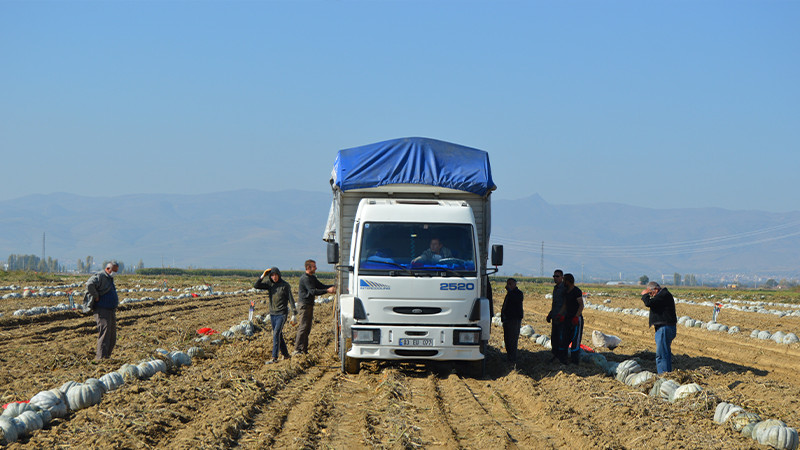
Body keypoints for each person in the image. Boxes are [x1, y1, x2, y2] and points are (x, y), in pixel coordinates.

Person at [254, 267, 297, 364]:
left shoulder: (285, 285)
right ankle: (286, 355)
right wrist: (263, 275)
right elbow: (256, 286)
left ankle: (274, 357)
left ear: (279, 275)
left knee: (276, 333)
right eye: (272, 275)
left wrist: (294, 314)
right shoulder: (270, 284)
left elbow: (291, 299)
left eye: (275, 275)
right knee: (279, 334)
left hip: (282, 314)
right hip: (273, 314)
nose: (274, 277)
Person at [294, 259, 335, 355]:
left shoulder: (312, 278)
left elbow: (321, 286)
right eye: (314, 266)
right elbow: (313, 291)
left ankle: (304, 349)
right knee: (303, 327)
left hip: (309, 304)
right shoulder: (305, 278)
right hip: (304, 305)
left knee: (307, 328)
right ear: (308, 268)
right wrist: (328, 291)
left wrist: (333, 286)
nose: (316, 268)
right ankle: (297, 349)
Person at [641, 281, 678, 373]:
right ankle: (667, 373)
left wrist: (644, 295)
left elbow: (649, 303)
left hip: (664, 328)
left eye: (651, 292)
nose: (651, 295)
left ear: (656, 289)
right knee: (665, 353)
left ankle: (663, 375)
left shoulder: (663, 295)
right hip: (664, 328)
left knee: (661, 354)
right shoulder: (663, 295)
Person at [86, 261, 119, 360]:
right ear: (108, 269)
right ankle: (101, 358)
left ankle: (107, 357)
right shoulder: (100, 276)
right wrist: (96, 296)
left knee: (112, 336)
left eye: (116, 271)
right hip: (102, 310)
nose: (115, 273)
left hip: (110, 310)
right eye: (114, 271)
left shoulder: (109, 278)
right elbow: (89, 284)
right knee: (105, 334)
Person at [561, 273, 584, 364]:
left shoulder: (576, 291)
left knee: (575, 339)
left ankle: (575, 360)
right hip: (568, 318)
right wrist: (561, 314)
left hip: (576, 319)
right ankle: (565, 358)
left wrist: (576, 317)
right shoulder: (566, 291)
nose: (563, 282)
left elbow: (581, 305)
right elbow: (565, 305)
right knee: (566, 338)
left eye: (564, 281)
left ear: (568, 281)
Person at [500, 278, 524, 364]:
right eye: (508, 284)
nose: (508, 286)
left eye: (510, 284)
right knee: (507, 340)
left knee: (512, 340)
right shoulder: (509, 294)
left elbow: (515, 300)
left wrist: (510, 291)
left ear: (515, 284)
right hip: (507, 320)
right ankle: (509, 357)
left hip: (514, 320)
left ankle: (512, 359)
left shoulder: (518, 294)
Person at [546, 269, 566, 363]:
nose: (555, 278)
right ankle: (555, 355)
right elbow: (555, 304)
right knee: (554, 338)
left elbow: (565, 304)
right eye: (554, 276)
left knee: (561, 338)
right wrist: (550, 314)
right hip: (555, 317)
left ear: (562, 277)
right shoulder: (555, 288)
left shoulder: (564, 289)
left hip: (561, 318)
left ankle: (561, 357)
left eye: (557, 276)